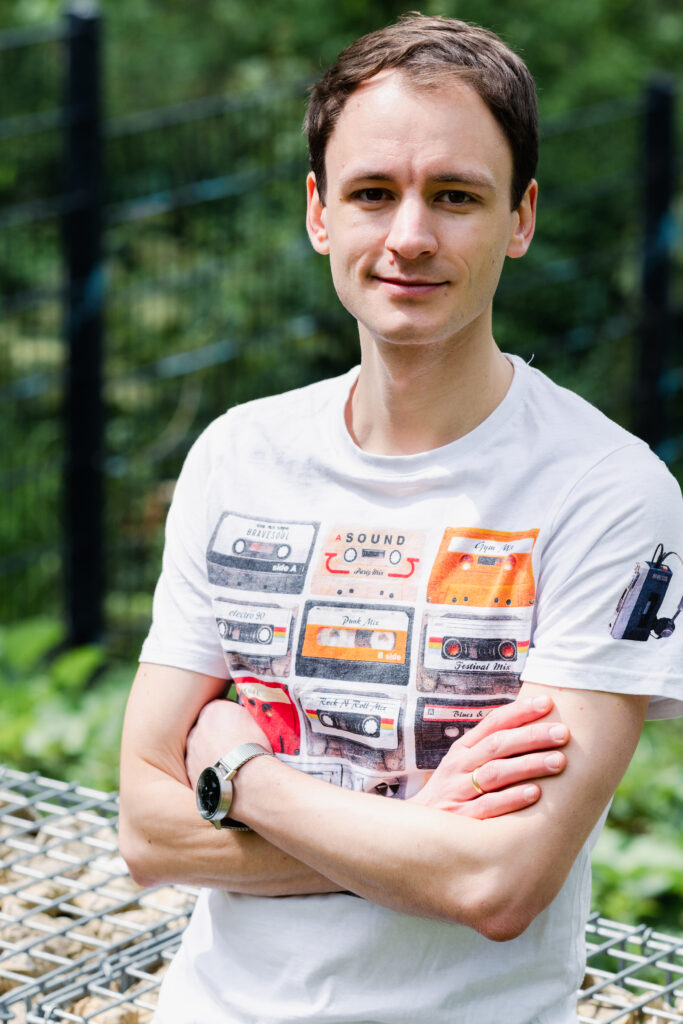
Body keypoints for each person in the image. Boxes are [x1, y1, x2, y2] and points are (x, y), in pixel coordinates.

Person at [118, 14, 683, 1024]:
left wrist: (240, 774)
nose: (410, 237)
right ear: (318, 213)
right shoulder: (238, 456)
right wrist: (423, 832)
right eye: (372, 193)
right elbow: (149, 834)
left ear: (519, 218)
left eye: (455, 196)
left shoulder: (608, 492)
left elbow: (498, 883)